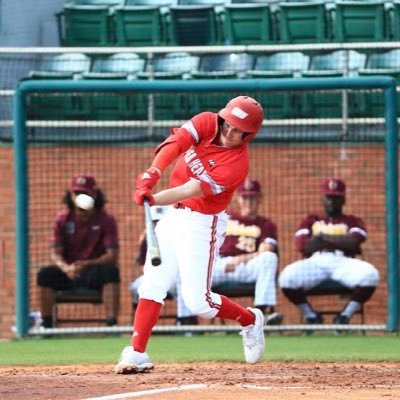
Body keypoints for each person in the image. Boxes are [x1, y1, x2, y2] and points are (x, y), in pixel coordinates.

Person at [115, 95, 266, 374]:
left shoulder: (236, 164)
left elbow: (191, 189)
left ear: (249, 136)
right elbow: (177, 143)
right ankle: (136, 352)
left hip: (203, 223)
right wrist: (153, 171)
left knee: (199, 301)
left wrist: (153, 198)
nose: (230, 133)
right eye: (228, 125)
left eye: (238, 131)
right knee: (152, 284)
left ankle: (249, 320)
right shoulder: (208, 122)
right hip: (174, 216)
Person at [278, 177, 380, 326]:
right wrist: (341, 240)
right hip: (315, 263)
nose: (332, 201)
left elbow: (355, 242)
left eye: (336, 197)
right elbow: (302, 246)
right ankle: (312, 316)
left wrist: (321, 237)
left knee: (371, 275)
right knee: (286, 277)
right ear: (322, 198)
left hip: (343, 262)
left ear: (343, 199)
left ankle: (344, 316)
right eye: (329, 197)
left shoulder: (352, 220)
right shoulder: (311, 220)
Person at [37, 174, 120, 328]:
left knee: (111, 271)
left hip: (94, 272)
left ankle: (111, 324)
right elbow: (56, 253)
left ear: (94, 194)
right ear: (71, 195)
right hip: (69, 272)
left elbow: (112, 255)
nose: (81, 197)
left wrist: (87, 264)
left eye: (86, 193)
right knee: (45, 274)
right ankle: (46, 325)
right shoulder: (62, 219)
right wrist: (66, 267)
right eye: (77, 193)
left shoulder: (106, 219)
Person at [210, 177, 283, 325]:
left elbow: (267, 249)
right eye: (246, 197)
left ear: (260, 199)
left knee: (269, 257)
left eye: (253, 197)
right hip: (218, 265)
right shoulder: (224, 217)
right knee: (189, 269)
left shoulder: (266, 224)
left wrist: (240, 259)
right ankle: (187, 320)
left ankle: (261, 313)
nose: (249, 201)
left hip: (246, 267)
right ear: (239, 199)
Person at [130, 205, 198, 326]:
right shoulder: (147, 239)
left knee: (182, 284)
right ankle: (141, 325)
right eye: (155, 221)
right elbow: (143, 267)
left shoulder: (181, 236)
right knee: (136, 287)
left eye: (160, 221)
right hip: (155, 275)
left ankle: (186, 322)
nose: (157, 225)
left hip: (177, 277)